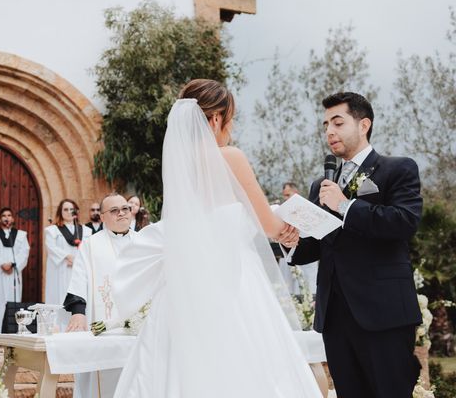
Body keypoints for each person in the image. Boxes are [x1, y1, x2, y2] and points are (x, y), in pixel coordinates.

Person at [112, 79, 321, 397]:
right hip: (232, 282)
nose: (231, 129)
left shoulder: (179, 165)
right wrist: (293, 225)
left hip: (184, 285)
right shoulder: (230, 157)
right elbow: (268, 224)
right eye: (231, 119)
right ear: (215, 119)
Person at [289, 92, 423, 398]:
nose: (329, 132)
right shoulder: (320, 185)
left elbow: (404, 222)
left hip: (384, 313)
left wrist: (346, 206)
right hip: (335, 316)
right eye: (325, 125)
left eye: (338, 122)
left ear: (364, 125)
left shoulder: (398, 169)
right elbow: (319, 244)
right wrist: (292, 242)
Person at [64, 193, 138, 398]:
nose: (122, 213)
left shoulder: (143, 242)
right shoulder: (91, 245)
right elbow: (79, 278)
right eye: (114, 211)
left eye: (125, 208)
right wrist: (78, 312)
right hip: (103, 326)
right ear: (103, 217)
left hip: (138, 328)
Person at [0, 207, 30, 338]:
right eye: (4, 215)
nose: (6, 218)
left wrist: (12, 265)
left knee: (13, 302)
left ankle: (12, 333)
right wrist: (2, 264)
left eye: (9, 215)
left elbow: (24, 252)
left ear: (13, 219)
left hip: (13, 275)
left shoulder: (21, 235)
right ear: (0, 219)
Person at [44, 199, 91, 307]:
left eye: (72, 209)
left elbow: (88, 249)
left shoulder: (86, 231)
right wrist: (68, 257)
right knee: (60, 299)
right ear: (60, 211)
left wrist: (76, 260)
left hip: (79, 269)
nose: (69, 212)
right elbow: (51, 247)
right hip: (60, 269)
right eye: (65, 209)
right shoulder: (52, 230)